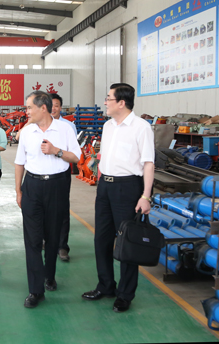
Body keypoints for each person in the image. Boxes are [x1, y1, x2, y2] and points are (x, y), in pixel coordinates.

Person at [81, 83, 154, 313]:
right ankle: (106, 285)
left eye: (109, 98)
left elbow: (148, 163)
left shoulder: (141, 127)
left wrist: (145, 196)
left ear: (121, 102)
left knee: (127, 243)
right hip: (105, 187)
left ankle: (125, 294)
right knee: (101, 239)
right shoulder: (108, 126)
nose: (105, 102)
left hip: (128, 188)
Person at [14, 91, 81, 308]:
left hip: (57, 185)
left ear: (43, 108)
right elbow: (19, 162)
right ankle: (35, 290)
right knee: (32, 240)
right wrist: (18, 191)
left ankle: (49, 275)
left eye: (29, 108)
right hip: (32, 186)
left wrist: (56, 151)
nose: (26, 112)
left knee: (53, 236)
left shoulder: (65, 128)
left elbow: (76, 157)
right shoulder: (26, 131)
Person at [49, 93, 77, 262]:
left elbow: (74, 153)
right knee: (44, 209)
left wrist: (57, 152)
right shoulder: (38, 125)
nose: (53, 108)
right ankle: (47, 240)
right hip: (43, 173)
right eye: (50, 104)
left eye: (57, 105)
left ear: (61, 107)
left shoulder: (68, 126)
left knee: (62, 209)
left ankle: (62, 246)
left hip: (61, 173)